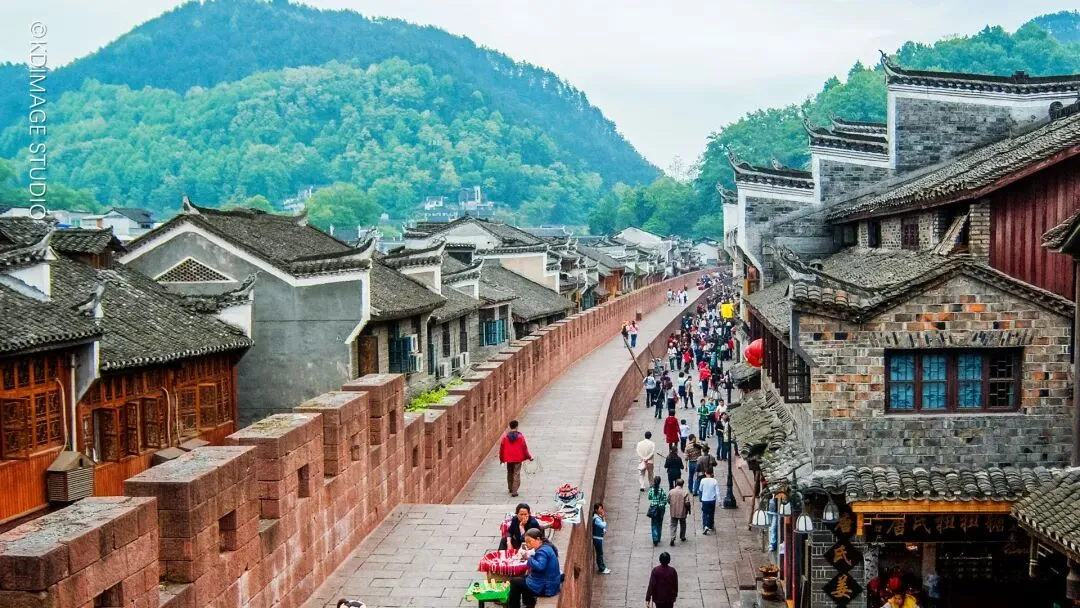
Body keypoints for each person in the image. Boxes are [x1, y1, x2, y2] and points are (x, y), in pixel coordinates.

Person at [507, 528, 562, 608]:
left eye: (529, 542)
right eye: (526, 542)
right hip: (548, 583)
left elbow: (540, 566)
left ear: (538, 539)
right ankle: (529, 603)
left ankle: (516, 605)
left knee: (514, 582)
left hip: (546, 587)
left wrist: (528, 558)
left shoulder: (542, 551)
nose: (527, 544)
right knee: (522, 578)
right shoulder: (546, 546)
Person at [499, 420, 533, 497]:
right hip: (518, 459)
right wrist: (529, 457)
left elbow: (501, 449)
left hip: (509, 459)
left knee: (509, 473)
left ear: (510, 427)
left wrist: (502, 459)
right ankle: (514, 491)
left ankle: (510, 488)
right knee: (516, 473)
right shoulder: (520, 437)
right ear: (517, 426)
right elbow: (524, 448)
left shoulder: (505, 438)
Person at [667, 479, 691, 546]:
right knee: (683, 524)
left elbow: (668, 500)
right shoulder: (685, 492)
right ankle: (682, 536)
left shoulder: (671, 491)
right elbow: (687, 503)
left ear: (676, 484)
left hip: (673, 511)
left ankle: (672, 537)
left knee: (673, 524)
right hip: (682, 511)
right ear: (682, 485)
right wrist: (688, 509)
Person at [646, 476, 668, 546]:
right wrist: (662, 504)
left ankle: (655, 538)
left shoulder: (652, 490)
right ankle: (658, 537)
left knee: (654, 524)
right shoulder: (662, 490)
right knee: (660, 523)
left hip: (653, 509)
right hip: (660, 509)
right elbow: (665, 500)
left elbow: (649, 497)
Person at [592, 503, 611, 575]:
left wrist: (603, 530)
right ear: (596, 510)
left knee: (600, 553)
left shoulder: (597, 517)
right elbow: (603, 525)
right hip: (597, 539)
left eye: (601, 508)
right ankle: (602, 568)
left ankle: (603, 567)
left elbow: (601, 527)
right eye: (600, 509)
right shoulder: (596, 519)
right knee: (599, 554)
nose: (601, 510)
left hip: (599, 538)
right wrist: (604, 518)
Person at [698, 470, 719, 535]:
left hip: (705, 499)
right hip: (712, 500)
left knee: (705, 513)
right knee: (711, 513)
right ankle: (710, 525)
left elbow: (700, 489)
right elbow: (717, 492)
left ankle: (705, 526)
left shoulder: (703, 480)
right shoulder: (714, 481)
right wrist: (719, 501)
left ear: (705, 473)